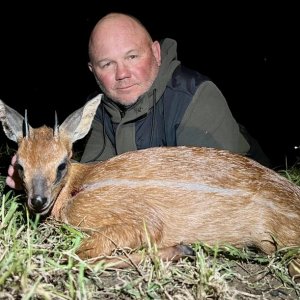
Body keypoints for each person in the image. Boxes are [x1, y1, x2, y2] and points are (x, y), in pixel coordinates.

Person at [6, 12, 269, 189]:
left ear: (155, 52)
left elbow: (222, 187)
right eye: (107, 64)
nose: (122, 74)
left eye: (132, 57)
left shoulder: (194, 96)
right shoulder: (99, 109)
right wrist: (42, 178)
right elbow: (97, 176)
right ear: (92, 71)